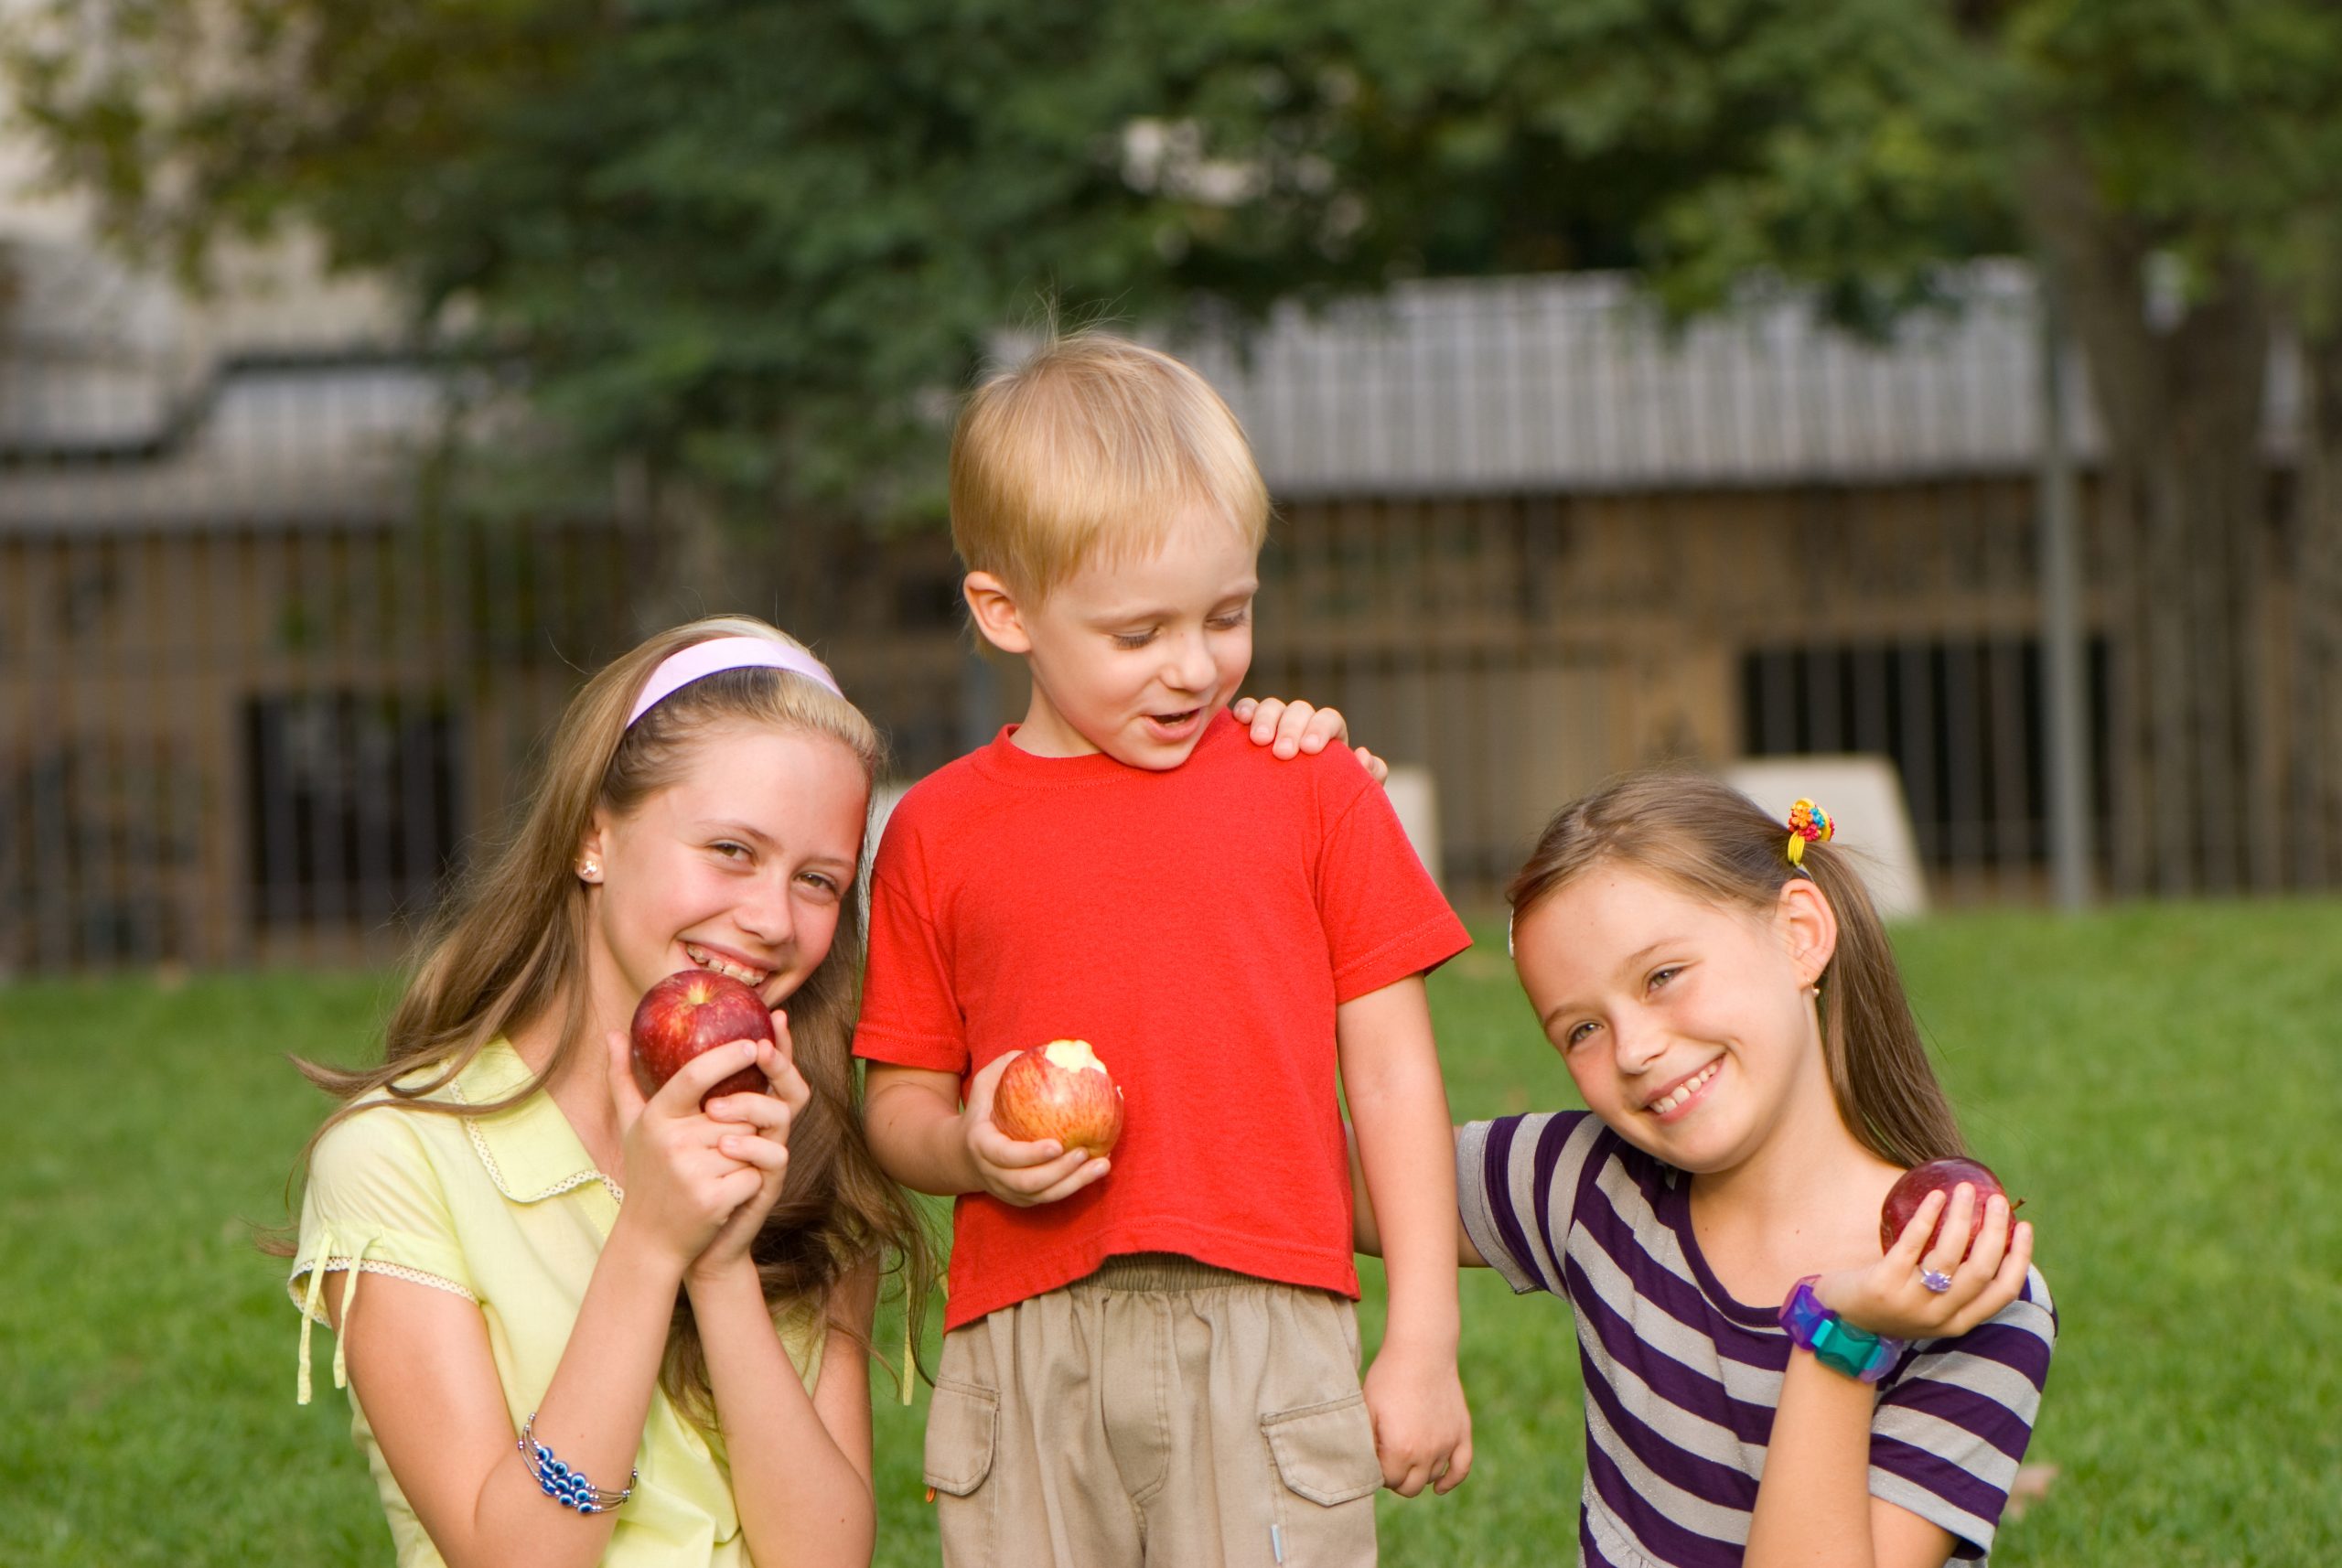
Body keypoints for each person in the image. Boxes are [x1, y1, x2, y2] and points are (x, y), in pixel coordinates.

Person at [282, 613, 1376, 1568]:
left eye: (817, 881)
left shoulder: (806, 1146)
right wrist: (648, 1246)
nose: (769, 919)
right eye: (728, 849)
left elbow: (821, 1554)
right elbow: (518, 1557)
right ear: (592, 836)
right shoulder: (398, 1156)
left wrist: (719, 1274)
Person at [854, 331, 1474, 1568]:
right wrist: (968, 1147)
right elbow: (897, 1106)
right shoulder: (935, 830)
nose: (1195, 666)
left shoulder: (1313, 789)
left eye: (1229, 615)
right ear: (1005, 610)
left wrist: (1423, 1338)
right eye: (1140, 634)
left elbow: (1395, 1078)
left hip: (1270, 1325)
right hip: (1022, 1338)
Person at [1360, 771, 2053, 1568]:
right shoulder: (1591, 1185)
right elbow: (1301, 1171)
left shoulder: (1964, 1288)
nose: (1634, 1050)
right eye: (1582, 1028)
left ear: (1798, 934)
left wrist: (1843, 1337)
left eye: (1662, 977)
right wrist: (1280, 815)